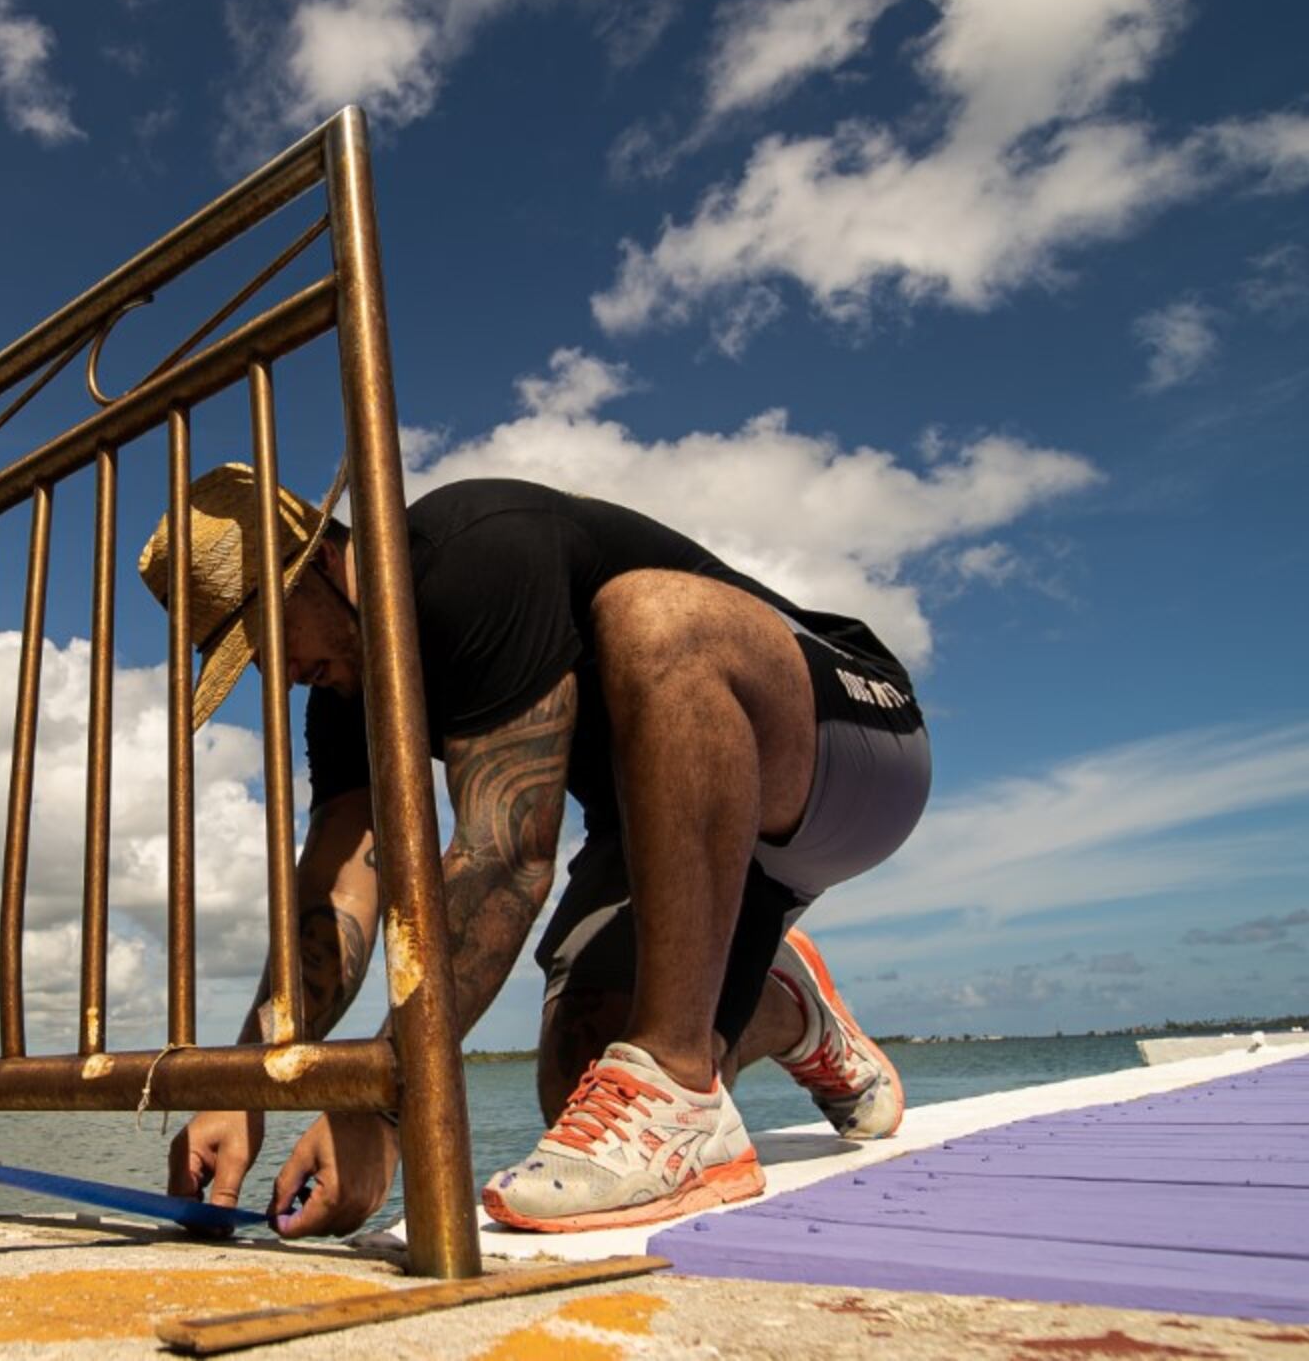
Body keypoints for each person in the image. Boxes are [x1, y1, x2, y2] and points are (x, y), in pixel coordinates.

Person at [142, 463, 926, 1237]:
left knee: (652, 613)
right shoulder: (343, 694)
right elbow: (336, 893)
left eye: (270, 633)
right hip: (678, 848)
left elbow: (504, 857)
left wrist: (383, 1103)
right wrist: (247, 1083)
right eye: (246, 659)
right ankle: (786, 1010)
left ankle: (682, 1085)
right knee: (581, 1079)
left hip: (845, 753)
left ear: (319, 561)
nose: (276, 676)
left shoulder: (474, 556)